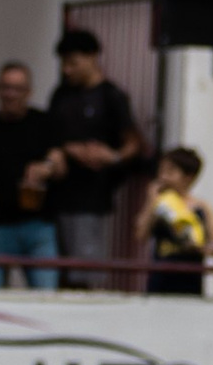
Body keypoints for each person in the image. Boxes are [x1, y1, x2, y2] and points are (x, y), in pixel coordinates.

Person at [49, 27, 146, 284]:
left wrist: (111, 157)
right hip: (58, 193)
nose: (67, 70)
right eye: (64, 64)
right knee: (59, 268)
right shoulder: (61, 94)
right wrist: (65, 150)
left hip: (92, 196)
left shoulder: (111, 96)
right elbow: (51, 135)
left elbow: (133, 142)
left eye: (73, 63)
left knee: (86, 267)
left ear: (92, 57)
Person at [0, 60, 64, 288]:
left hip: (38, 225)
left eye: (17, 89)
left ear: (28, 91)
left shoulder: (44, 122)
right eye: (5, 87)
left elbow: (60, 163)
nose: (10, 94)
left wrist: (46, 167)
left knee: (46, 294)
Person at [144, 147, 213, 294]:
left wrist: (203, 248)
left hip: (190, 277)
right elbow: (141, 234)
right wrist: (151, 203)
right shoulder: (161, 204)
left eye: (170, 172)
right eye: (161, 171)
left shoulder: (202, 207)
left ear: (188, 177)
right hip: (161, 276)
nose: (163, 177)